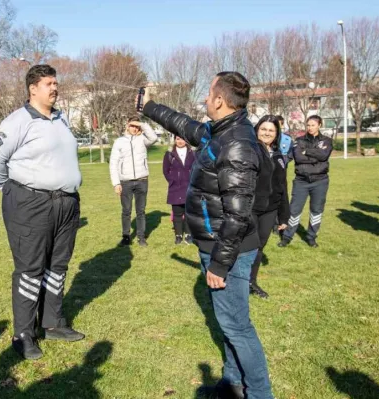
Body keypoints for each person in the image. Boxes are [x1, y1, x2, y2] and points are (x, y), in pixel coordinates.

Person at [141, 71, 273, 399]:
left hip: (226, 249)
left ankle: (259, 394)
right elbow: (186, 126)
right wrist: (150, 107)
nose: (204, 99)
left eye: (208, 93)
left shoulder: (238, 144)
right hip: (214, 245)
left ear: (220, 100)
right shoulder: (221, 131)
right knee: (229, 323)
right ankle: (232, 384)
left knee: (238, 328)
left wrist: (219, 264)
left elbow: (238, 215)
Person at [0, 64, 84, 361]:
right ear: (33, 89)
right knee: (30, 269)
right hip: (30, 203)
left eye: (56, 82)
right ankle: (23, 334)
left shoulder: (61, 118)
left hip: (66, 204)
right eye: (49, 83)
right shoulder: (18, 121)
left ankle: (52, 323)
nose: (55, 87)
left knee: (58, 265)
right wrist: (10, 188)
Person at [250, 116, 290, 299]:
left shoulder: (280, 157)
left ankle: (252, 281)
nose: (266, 133)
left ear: (277, 134)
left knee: (259, 246)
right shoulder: (250, 150)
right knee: (244, 246)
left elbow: (283, 186)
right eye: (263, 129)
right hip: (250, 207)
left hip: (270, 209)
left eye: (271, 130)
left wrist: (283, 216)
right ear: (257, 129)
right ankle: (237, 281)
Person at [279, 115, 333, 248]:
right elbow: (298, 156)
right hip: (301, 181)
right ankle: (287, 237)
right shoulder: (299, 140)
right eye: (308, 125)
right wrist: (314, 155)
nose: (310, 127)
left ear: (319, 125)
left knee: (316, 210)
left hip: (320, 181)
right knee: (294, 209)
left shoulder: (327, 140)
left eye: (313, 125)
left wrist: (307, 151)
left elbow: (324, 155)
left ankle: (311, 237)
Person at [109, 116, 158, 246]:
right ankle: (126, 236)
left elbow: (154, 138)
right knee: (126, 210)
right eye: (132, 125)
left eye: (137, 126)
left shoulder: (143, 140)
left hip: (142, 180)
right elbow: (113, 163)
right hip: (125, 181)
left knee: (141, 211)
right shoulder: (119, 142)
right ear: (127, 126)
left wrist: (142, 124)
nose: (134, 128)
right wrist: (116, 183)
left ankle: (141, 237)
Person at [162, 133, 194, 245]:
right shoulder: (169, 154)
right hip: (175, 188)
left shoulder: (192, 153)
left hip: (189, 187)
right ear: (175, 140)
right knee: (177, 213)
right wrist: (172, 180)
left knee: (189, 212)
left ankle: (189, 234)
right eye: (178, 139)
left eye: (182, 139)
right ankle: (178, 235)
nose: (180, 141)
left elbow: (196, 168)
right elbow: (165, 170)